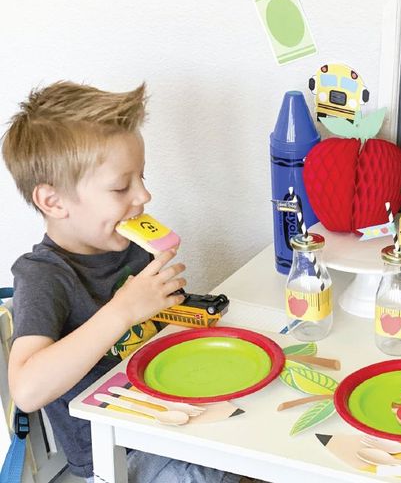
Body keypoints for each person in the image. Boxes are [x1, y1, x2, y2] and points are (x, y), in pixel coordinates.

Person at [2, 81, 240, 483]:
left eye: (142, 178)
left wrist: (184, 310)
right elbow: (26, 388)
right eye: (121, 186)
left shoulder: (129, 247)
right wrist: (123, 309)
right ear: (53, 201)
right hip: (115, 454)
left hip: (168, 417)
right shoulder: (44, 275)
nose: (144, 195)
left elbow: (160, 336)